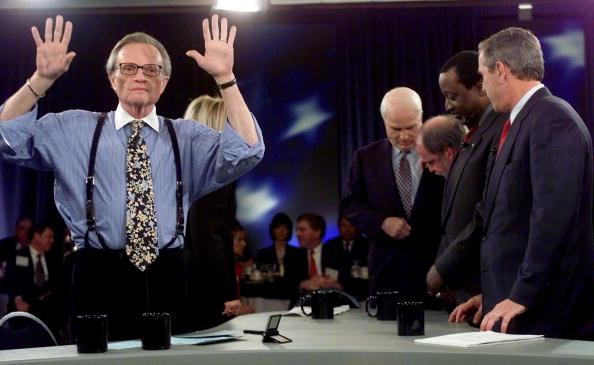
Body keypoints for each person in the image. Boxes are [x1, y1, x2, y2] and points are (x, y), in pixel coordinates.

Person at [0, 14, 264, 340]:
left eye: (151, 69)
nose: (140, 76)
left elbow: (248, 151)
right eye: (128, 68)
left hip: (167, 275)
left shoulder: (187, 137)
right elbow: (6, 137)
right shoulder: (73, 129)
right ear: (112, 78)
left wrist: (226, 78)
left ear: (164, 81)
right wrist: (40, 79)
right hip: (97, 275)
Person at [449, 27, 594, 339]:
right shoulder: (521, 121)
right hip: (517, 303)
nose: (483, 87)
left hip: (545, 313)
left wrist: (521, 295)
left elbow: (552, 218)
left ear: (501, 71)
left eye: (482, 75)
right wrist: (496, 291)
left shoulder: (553, 119)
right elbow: (512, 219)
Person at [341, 87, 444, 304]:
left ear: (421, 117)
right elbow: (350, 204)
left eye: (411, 127)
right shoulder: (365, 158)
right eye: (395, 129)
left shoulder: (442, 153)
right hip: (387, 269)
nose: (404, 136)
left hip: (436, 268)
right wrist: (381, 222)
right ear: (384, 122)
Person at [426, 51, 508, 306]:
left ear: (480, 86)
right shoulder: (473, 134)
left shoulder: (500, 132)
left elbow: (486, 212)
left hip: (483, 286)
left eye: (453, 96)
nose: (448, 106)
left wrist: (444, 267)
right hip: (461, 286)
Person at [183, 95, 242, 331]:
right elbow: (209, 238)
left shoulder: (182, 167)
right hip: (202, 289)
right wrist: (227, 293)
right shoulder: (213, 173)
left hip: (180, 281)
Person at [5, 223, 63, 338]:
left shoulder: (54, 258)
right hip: (24, 312)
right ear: (37, 236)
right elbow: (11, 279)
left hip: (48, 314)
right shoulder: (18, 255)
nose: (52, 241)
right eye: (49, 237)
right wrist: (17, 298)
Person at [255, 212, 305, 302]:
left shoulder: (298, 253)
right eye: (278, 227)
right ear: (273, 230)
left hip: (293, 298)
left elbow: (301, 278)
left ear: (289, 230)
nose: (281, 231)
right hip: (268, 298)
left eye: (284, 228)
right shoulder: (262, 253)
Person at [322, 217, 369, 301]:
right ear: (338, 227)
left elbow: (366, 274)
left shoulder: (366, 245)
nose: (347, 229)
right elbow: (329, 270)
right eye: (343, 225)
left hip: (361, 295)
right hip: (336, 295)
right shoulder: (330, 245)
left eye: (351, 225)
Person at [295, 213, 341, 293]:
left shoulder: (336, 253)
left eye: (302, 230)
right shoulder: (295, 256)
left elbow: (348, 284)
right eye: (297, 230)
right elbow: (289, 285)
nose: (297, 234)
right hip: (304, 303)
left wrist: (335, 286)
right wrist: (302, 285)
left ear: (317, 233)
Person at [0, 217, 32, 316]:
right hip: (5, 288)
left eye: (29, 229)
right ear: (16, 230)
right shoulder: (4, 245)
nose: (26, 232)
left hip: (28, 292)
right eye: (23, 228)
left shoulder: (35, 247)